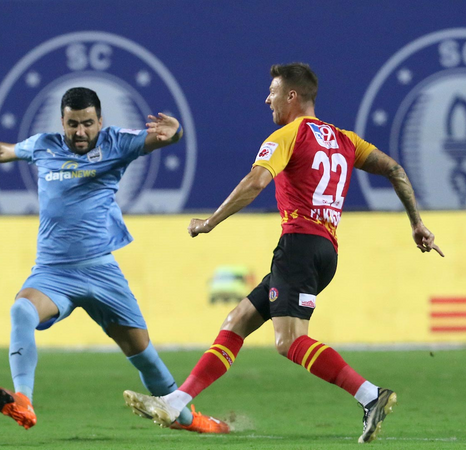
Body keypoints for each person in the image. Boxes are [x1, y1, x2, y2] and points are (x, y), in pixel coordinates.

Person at [123, 63, 444, 443]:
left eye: (273, 92)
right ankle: (176, 403)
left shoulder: (287, 135)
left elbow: (255, 182)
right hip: (325, 251)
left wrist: (211, 221)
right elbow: (395, 170)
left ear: (292, 96)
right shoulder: (345, 140)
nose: (267, 99)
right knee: (237, 321)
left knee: (288, 341)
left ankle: (370, 395)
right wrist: (416, 223)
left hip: (298, 248)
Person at [0, 87, 228, 433]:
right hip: (52, 273)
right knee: (21, 310)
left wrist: (177, 132)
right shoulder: (43, 146)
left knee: (144, 356)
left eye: (87, 123)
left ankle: (192, 421)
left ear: (100, 121)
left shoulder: (116, 143)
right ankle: (23, 400)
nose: (80, 132)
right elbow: (2, 151)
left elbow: (163, 138)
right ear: (62, 122)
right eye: (73, 124)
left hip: (101, 271)